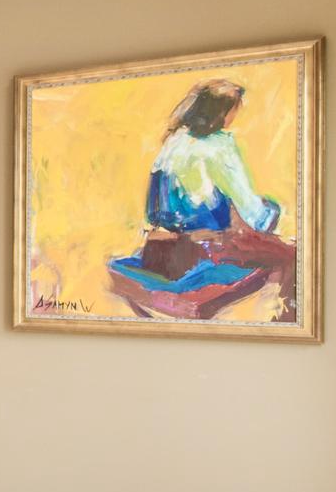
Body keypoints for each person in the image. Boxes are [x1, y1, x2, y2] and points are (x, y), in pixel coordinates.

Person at [108, 78, 297, 321]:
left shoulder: (174, 141)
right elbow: (250, 209)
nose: (234, 118)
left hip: (168, 247)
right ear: (221, 112)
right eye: (233, 111)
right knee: (292, 256)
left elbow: (153, 211)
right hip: (211, 246)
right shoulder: (220, 145)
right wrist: (272, 214)